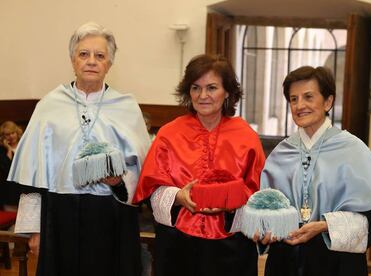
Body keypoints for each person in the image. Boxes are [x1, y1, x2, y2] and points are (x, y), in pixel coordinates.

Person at [8, 22, 150, 276]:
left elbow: (143, 169)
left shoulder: (127, 108)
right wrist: (35, 230)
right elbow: (32, 176)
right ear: (73, 60)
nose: (91, 61)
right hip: (59, 216)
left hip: (111, 217)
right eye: (84, 54)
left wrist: (119, 181)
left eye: (100, 55)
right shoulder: (49, 106)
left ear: (110, 63)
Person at [257, 66, 371, 276]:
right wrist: (266, 229)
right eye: (293, 99)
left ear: (328, 102)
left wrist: (324, 226)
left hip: (337, 262)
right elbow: (265, 212)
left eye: (308, 97)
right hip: (286, 262)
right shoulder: (281, 153)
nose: (300, 105)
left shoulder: (353, 149)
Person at [134, 54, 266, 276]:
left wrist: (230, 201)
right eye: (196, 88)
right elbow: (150, 188)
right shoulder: (169, 134)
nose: (203, 95)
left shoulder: (246, 137)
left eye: (212, 88)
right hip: (178, 246)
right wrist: (178, 196)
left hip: (232, 248)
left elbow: (259, 195)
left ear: (227, 92)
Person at [0, 121, 23, 210]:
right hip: (9, 190)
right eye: (7, 134)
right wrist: (9, 149)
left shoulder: (24, 146)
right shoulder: (2, 150)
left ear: (17, 132)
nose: (11, 136)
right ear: (3, 137)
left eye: (12, 133)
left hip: (23, 185)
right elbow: (7, 167)